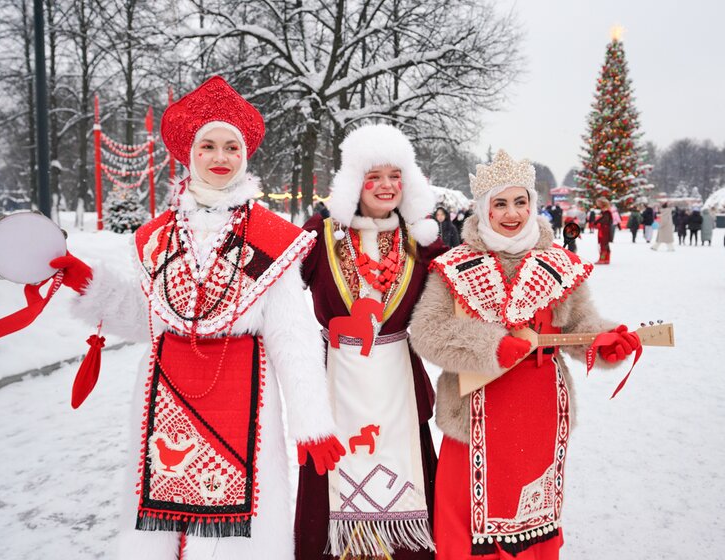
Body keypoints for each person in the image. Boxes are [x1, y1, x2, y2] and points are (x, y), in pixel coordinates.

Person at [49, 77, 344, 560]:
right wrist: (87, 284)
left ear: (245, 155)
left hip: (245, 388)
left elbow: (292, 334)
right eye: (208, 145)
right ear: (190, 153)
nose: (220, 156)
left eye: (231, 146)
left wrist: (311, 421)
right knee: (160, 521)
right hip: (166, 390)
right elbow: (149, 319)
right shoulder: (155, 236)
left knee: (238, 531)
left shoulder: (274, 237)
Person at [409, 150, 641, 560]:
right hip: (472, 413)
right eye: (500, 203)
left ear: (533, 205)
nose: (512, 213)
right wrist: (490, 345)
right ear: (483, 209)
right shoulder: (453, 266)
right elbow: (427, 333)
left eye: (521, 202)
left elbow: (580, 327)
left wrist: (605, 344)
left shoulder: (560, 265)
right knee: (465, 519)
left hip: (539, 412)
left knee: (531, 515)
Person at [297, 124, 442, 559]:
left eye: (394, 176)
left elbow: (466, 294)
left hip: (398, 384)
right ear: (353, 181)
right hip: (335, 385)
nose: (385, 186)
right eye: (373, 176)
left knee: (411, 484)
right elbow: (276, 293)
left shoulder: (421, 242)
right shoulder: (320, 235)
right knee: (329, 488)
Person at [595, 197, 613, 264]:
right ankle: (606, 259)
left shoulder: (606, 212)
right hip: (604, 230)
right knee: (605, 245)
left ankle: (602, 259)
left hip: (604, 230)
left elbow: (605, 221)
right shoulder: (605, 212)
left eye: (598, 203)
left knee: (603, 245)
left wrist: (598, 223)